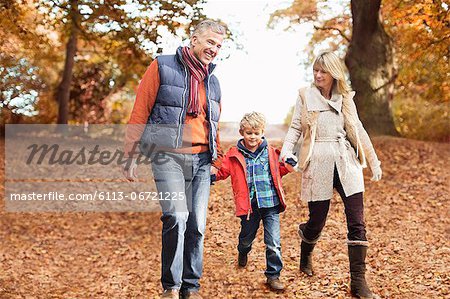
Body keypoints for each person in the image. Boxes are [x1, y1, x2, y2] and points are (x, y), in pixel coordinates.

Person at [123, 20, 226, 299]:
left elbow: (212, 124)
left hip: (202, 161)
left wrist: (217, 160)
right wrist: (130, 153)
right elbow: (140, 110)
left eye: (219, 45)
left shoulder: (212, 81)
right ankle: (171, 286)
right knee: (176, 216)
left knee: (197, 225)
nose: (214, 49)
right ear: (194, 40)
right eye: (210, 42)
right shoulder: (162, 66)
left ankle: (190, 287)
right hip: (167, 155)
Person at [281, 51, 382, 299]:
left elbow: (358, 129)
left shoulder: (346, 97)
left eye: (323, 71)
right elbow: (296, 127)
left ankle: (358, 282)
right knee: (317, 222)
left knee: (357, 223)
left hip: (347, 161)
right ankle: (307, 246)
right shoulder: (305, 95)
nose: (317, 75)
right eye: (315, 70)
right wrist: (286, 151)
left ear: (334, 73)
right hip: (318, 161)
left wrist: (373, 161)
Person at [211, 112, 296, 292]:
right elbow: (222, 171)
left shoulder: (271, 152)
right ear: (242, 132)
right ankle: (243, 251)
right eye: (249, 132)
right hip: (249, 207)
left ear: (262, 132)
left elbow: (280, 169)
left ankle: (273, 276)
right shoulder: (234, 155)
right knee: (246, 239)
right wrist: (210, 175)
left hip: (270, 204)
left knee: (273, 242)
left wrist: (289, 164)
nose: (253, 137)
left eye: (256, 133)